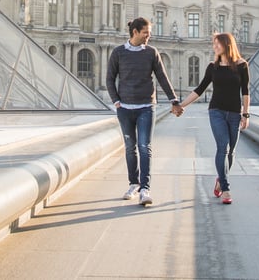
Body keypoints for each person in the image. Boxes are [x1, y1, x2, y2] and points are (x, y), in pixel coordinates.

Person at [106, 17, 182, 206]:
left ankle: (145, 189)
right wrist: (116, 101)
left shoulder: (151, 53)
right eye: (146, 32)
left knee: (144, 147)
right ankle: (133, 184)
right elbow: (109, 78)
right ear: (135, 32)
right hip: (125, 108)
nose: (149, 36)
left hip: (147, 107)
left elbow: (162, 77)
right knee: (130, 148)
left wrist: (174, 100)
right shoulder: (118, 53)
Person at [177, 32, 250, 205]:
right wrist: (182, 105)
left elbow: (245, 92)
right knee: (222, 148)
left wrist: (245, 114)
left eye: (217, 44)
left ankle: (220, 179)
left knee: (231, 151)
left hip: (234, 113)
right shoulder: (212, 67)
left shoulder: (242, 65)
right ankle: (225, 189)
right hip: (216, 111)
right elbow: (200, 89)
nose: (214, 47)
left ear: (227, 45)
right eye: (214, 44)